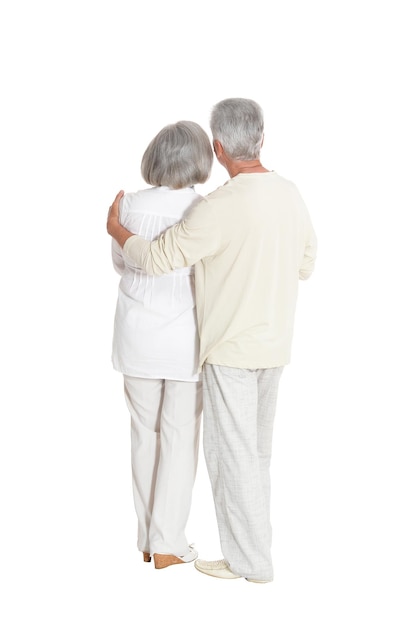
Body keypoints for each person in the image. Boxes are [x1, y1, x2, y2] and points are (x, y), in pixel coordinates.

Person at [107, 98, 317, 583]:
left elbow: (150, 260)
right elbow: (306, 264)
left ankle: (216, 555)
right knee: (239, 450)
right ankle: (202, 548)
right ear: (261, 138)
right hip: (253, 342)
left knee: (202, 449)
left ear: (219, 148)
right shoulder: (284, 194)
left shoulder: (207, 207)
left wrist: (117, 228)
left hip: (206, 344)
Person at [110, 121, 213, 569]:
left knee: (143, 438)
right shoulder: (205, 209)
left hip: (137, 337)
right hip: (186, 339)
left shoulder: (127, 206)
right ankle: (169, 541)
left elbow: (122, 262)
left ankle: (148, 540)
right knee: (179, 437)